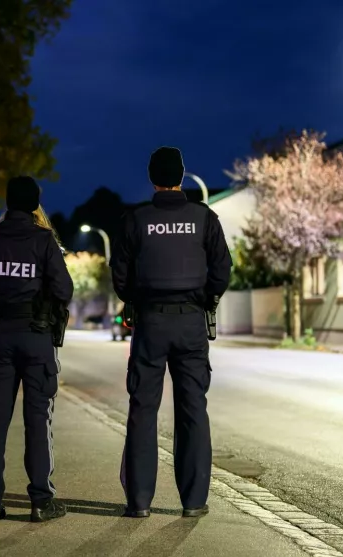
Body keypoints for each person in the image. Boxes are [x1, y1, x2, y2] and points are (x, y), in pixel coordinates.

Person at [112, 146, 231, 518]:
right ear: (181, 176)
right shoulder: (204, 218)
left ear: (152, 177)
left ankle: (140, 501)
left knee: (143, 409)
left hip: (150, 323)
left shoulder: (135, 220)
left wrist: (135, 299)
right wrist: (206, 298)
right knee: (193, 409)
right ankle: (194, 501)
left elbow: (120, 275)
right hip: (192, 323)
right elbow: (222, 270)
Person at [0, 176, 73, 524]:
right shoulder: (43, 240)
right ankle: (41, 502)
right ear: (34, 205)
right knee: (37, 419)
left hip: (0, 338)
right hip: (36, 336)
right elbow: (64, 288)